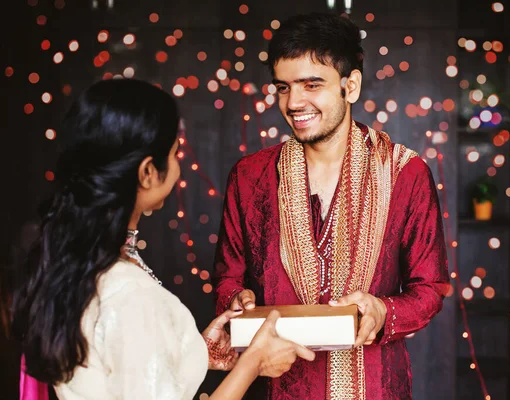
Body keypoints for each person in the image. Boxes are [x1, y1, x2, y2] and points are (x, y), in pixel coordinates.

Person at [11, 78, 315, 400]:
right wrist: (252, 363)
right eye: (174, 153)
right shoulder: (129, 295)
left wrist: (193, 352)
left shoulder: (81, 264)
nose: (179, 166)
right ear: (147, 172)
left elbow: (122, 369)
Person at [212, 11, 450, 400]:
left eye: (312, 84)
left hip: (374, 386)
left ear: (349, 86)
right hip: (276, 386)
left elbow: (430, 289)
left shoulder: (405, 173)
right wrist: (237, 302)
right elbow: (228, 276)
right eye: (283, 87)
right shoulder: (250, 176)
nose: (294, 102)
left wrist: (382, 311)